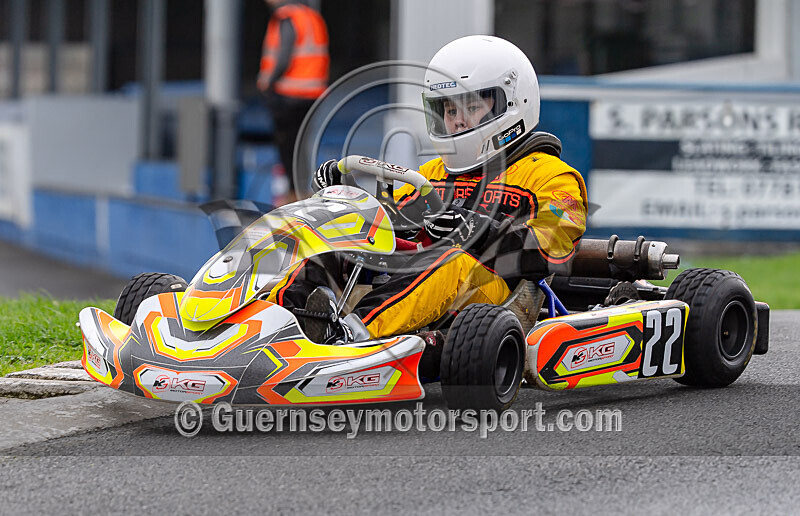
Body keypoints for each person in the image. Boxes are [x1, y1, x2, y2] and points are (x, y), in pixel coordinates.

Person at [286, 35, 588, 343]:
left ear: (512, 103)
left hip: (495, 294)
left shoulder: (551, 176)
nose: (457, 122)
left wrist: (478, 228)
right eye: (450, 111)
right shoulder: (431, 174)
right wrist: (345, 202)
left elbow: (554, 248)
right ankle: (279, 322)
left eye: (471, 107)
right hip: (413, 281)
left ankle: (350, 335)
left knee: (450, 260)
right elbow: (387, 224)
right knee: (337, 247)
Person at [258, 0, 329, 198]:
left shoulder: (287, 17)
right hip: (312, 93)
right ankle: (299, 188)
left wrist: (268, 81)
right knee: (301, 143)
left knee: (288, 144)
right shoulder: (311, 16)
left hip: (290, 94)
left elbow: (283, 56)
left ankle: (293, 191)